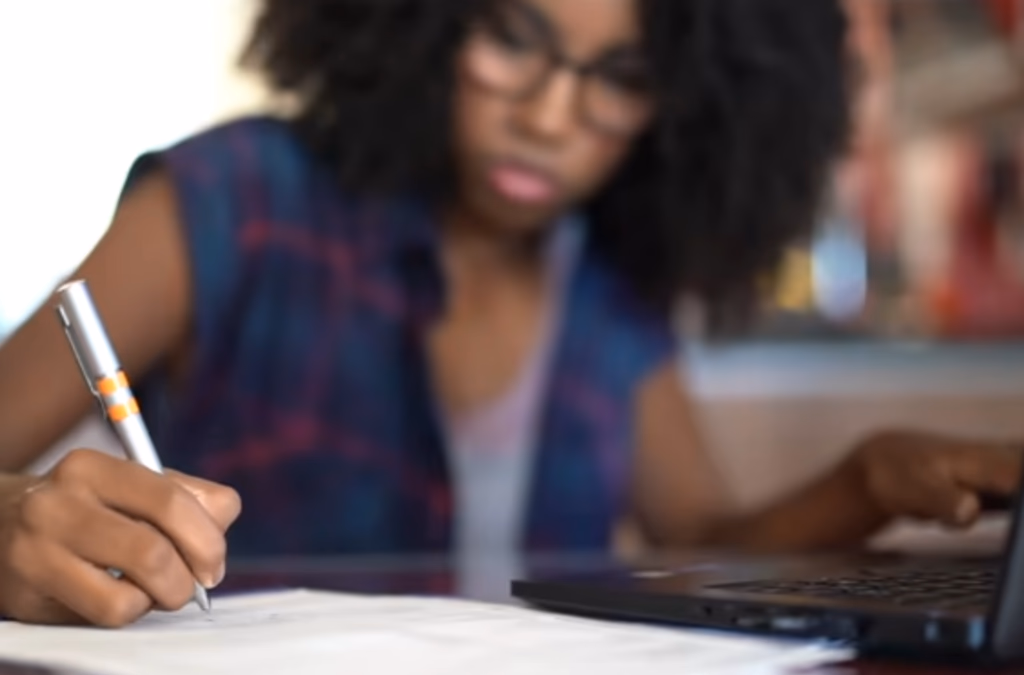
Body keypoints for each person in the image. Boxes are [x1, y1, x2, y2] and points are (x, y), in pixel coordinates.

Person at [0, 0, 1019, 629]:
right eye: (510, 39)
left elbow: (706, 535)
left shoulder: (614, 283)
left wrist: (869, 478)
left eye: (619, 78)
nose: (546, 116)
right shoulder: (234, 198)